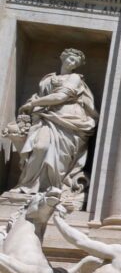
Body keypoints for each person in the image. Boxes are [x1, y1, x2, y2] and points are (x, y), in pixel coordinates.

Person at [3, 48, 97, 197]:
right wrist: (33, 105)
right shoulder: (48, 78)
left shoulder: (75, 78)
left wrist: (34, 103)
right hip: (47, 117)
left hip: (69, 120)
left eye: (76, 62)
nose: (72, 63)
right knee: (40, 147)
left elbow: (60, 97)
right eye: (71, 59)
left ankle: (53, 189)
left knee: (59, 156)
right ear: (62, 57)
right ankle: (26, 186)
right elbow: (41, 95)